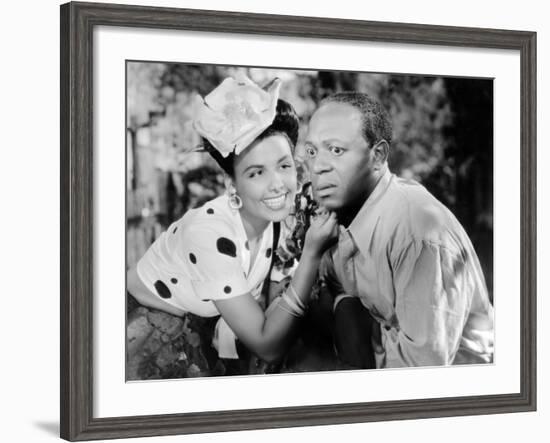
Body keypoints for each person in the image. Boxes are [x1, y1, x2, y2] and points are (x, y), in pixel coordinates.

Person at [127, 75, 337, 365]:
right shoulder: (209, 234)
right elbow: (268, 346)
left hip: (205, 327)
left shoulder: (279, 217)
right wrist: (312, 253)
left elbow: (274, 304)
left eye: (283, 166)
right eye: (256, 173)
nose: (277, 184)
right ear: (232, 183)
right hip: (145, 338)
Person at [303, 92, 494, 368]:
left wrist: (353, 346)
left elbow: (424, 370)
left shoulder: (417, 233)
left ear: (378, 155)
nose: (318, 167)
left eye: (336, 150)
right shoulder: (344, 217)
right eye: (311, 152)